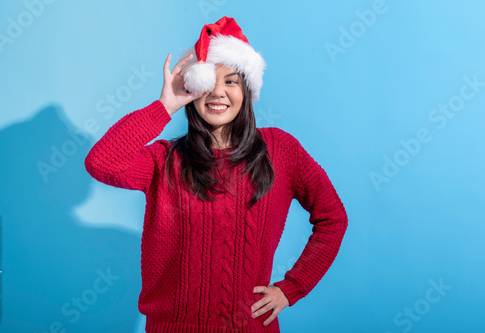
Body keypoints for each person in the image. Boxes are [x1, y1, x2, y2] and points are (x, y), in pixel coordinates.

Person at [85, 16, 348, 333]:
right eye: (208, 82)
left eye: (231, 81)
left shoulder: (280, 150)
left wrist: (292, 288)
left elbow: (333, 217)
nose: (218, 93)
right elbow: (102, 162)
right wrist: (164, 106)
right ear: (193, 89)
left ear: (247, 91)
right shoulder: (166, 159)